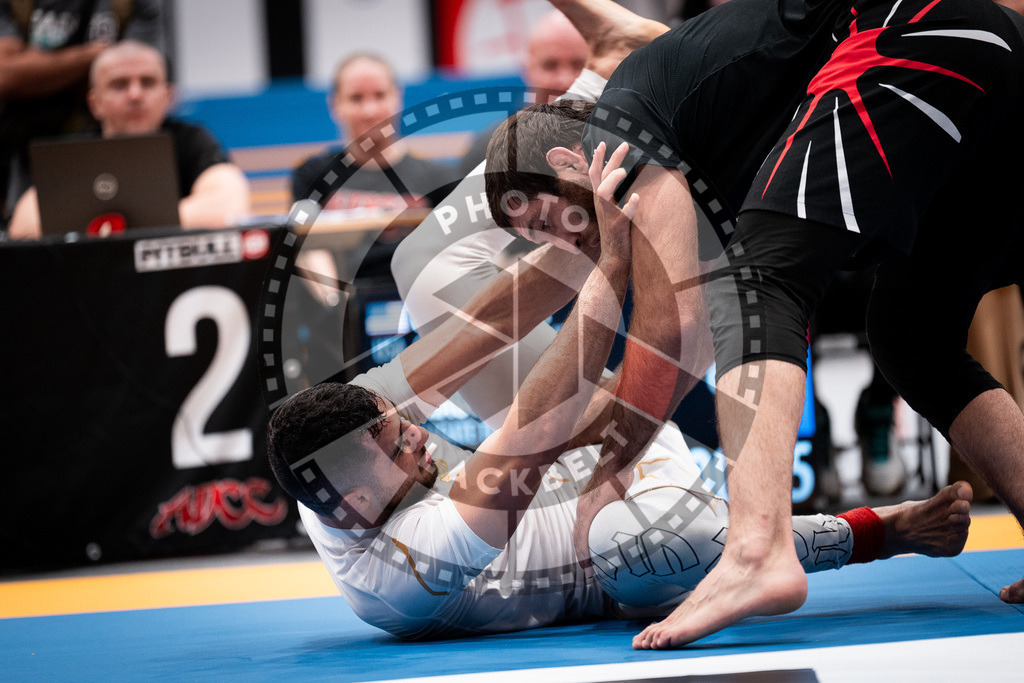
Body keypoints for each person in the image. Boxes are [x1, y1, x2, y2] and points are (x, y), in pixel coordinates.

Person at [268, 138, 973, 639]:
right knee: (629, 541)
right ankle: (883, 530)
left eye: (400, 420)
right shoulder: (409, 566)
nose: (420, 430)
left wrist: (574, 244)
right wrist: (609, 264)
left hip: (571, 448)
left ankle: (605, 139)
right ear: (361, 504)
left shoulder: (329, 449)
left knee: (426, 271)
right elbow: (539, 426)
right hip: (625, 515)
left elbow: (477, 341)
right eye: (400, 442)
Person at [479, 0, 1024, 648]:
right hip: (993, 59)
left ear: (574, 162)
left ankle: (758, 550)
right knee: (913, 336)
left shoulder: (616, 124)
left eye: (549, 224)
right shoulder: (701, 147)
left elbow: (673, 322)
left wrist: (608, 474)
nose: (570, 246)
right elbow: (700, 334)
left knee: (757, 278)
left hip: (919, 27)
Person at [7, 39, 249, 238]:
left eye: (148, 82)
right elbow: (25, 225)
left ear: (168, 96)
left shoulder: (191, 139)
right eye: (119, 85)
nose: (135, 94)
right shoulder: (76, 151)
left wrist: (111, 227)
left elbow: (228, 205)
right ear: (95, 103)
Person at [0, 0, 164, 224]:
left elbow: (131, 67)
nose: (135, 94)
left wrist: (37, 67)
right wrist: (94, 55)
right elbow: (5, 75)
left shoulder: (130, 4)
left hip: (106, 148)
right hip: (23, 146)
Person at [457, 9, 589, 176]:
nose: (564, 80)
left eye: (578, 65)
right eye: (550, 65)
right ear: (527, 69)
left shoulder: (621, 142)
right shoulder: (488, 150)